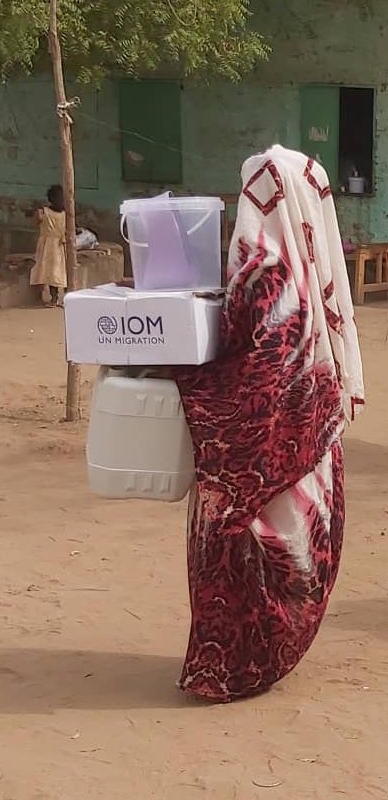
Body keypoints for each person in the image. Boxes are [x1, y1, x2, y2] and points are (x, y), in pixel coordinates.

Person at [173, 145, 364, 703]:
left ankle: (229, 667)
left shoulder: (262, 262)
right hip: (311, 448)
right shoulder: (313, 265)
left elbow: (253, 364)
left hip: (257, 457)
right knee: (296, 552)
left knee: (241, 552)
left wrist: (173, 363)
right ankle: (268, 654)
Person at [30, 185, 66, 307]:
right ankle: (53, 298)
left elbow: (36, 222)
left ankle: (54, 298)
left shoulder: (45, 212)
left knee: (51, 272)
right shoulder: (62, 213)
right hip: (54, 245)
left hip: (53, 245)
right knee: (50, 271)